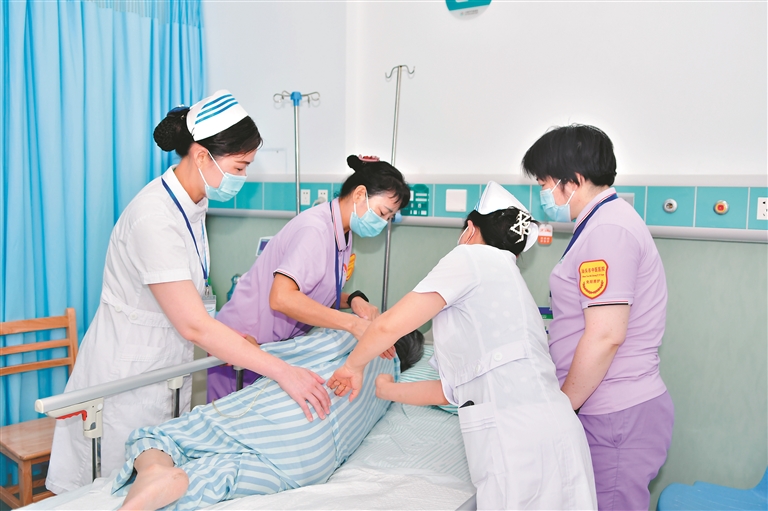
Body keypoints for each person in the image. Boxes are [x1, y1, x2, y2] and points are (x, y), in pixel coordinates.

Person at [47, 90, 331, 494]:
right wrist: (284, 371)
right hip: (127, 376)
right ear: (201, 156)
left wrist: (235, 341)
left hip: (163, 367)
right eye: (240, 166)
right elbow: (194, 325)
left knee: (154, 479)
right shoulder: (153, 217)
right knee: (111, 488)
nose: (243, 177)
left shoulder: (192, 206)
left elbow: (188, 303)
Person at [328, 182, 597, 510]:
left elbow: (388, 325)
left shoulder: (471, 257)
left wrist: (352, 367)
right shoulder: (509, 284)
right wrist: (386, 390)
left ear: (471, 229)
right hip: (559, 433)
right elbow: (453, 390)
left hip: (517, 442)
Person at [521, 124, 674, 511]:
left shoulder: (608, 231)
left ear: (572, 181)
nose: (543, 194)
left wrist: (563, 407)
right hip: (605, 408)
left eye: (544, 183)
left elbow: (606, 336)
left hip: (613, 415)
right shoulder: (601, 223)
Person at [114, 328, 425, 511]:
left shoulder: (357, 339)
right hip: (312, 465)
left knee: (159, 436)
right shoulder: (392, 389)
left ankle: (154, 470)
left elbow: (291, 352)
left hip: (291, 412)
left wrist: (256, 348)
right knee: (222, 475)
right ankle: (180, 485)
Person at [207, 155, 411, 400]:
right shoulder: (315, 230)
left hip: (272, 347)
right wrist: (352, 324)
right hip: (243, 341)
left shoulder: (343, 233)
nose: (382, 223)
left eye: (389, 219)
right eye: (382, 213)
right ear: (359, 194)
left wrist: (353, 299)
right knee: (232, 417)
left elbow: (314, 291)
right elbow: (282, 298)